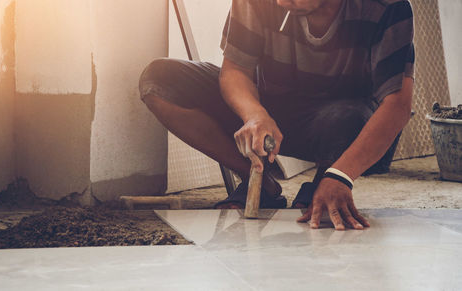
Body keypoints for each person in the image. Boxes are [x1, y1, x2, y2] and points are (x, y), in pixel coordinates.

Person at [139, 0, 415, 230]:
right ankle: (259, 183)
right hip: (270, 110)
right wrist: (254, 114)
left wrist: (342, 174)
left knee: (353, 117)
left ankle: (326, 183)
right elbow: (235, 71)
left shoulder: (387, 7)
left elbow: (397, 104)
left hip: (339, 124)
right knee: (161, 80)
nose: (281, 1)